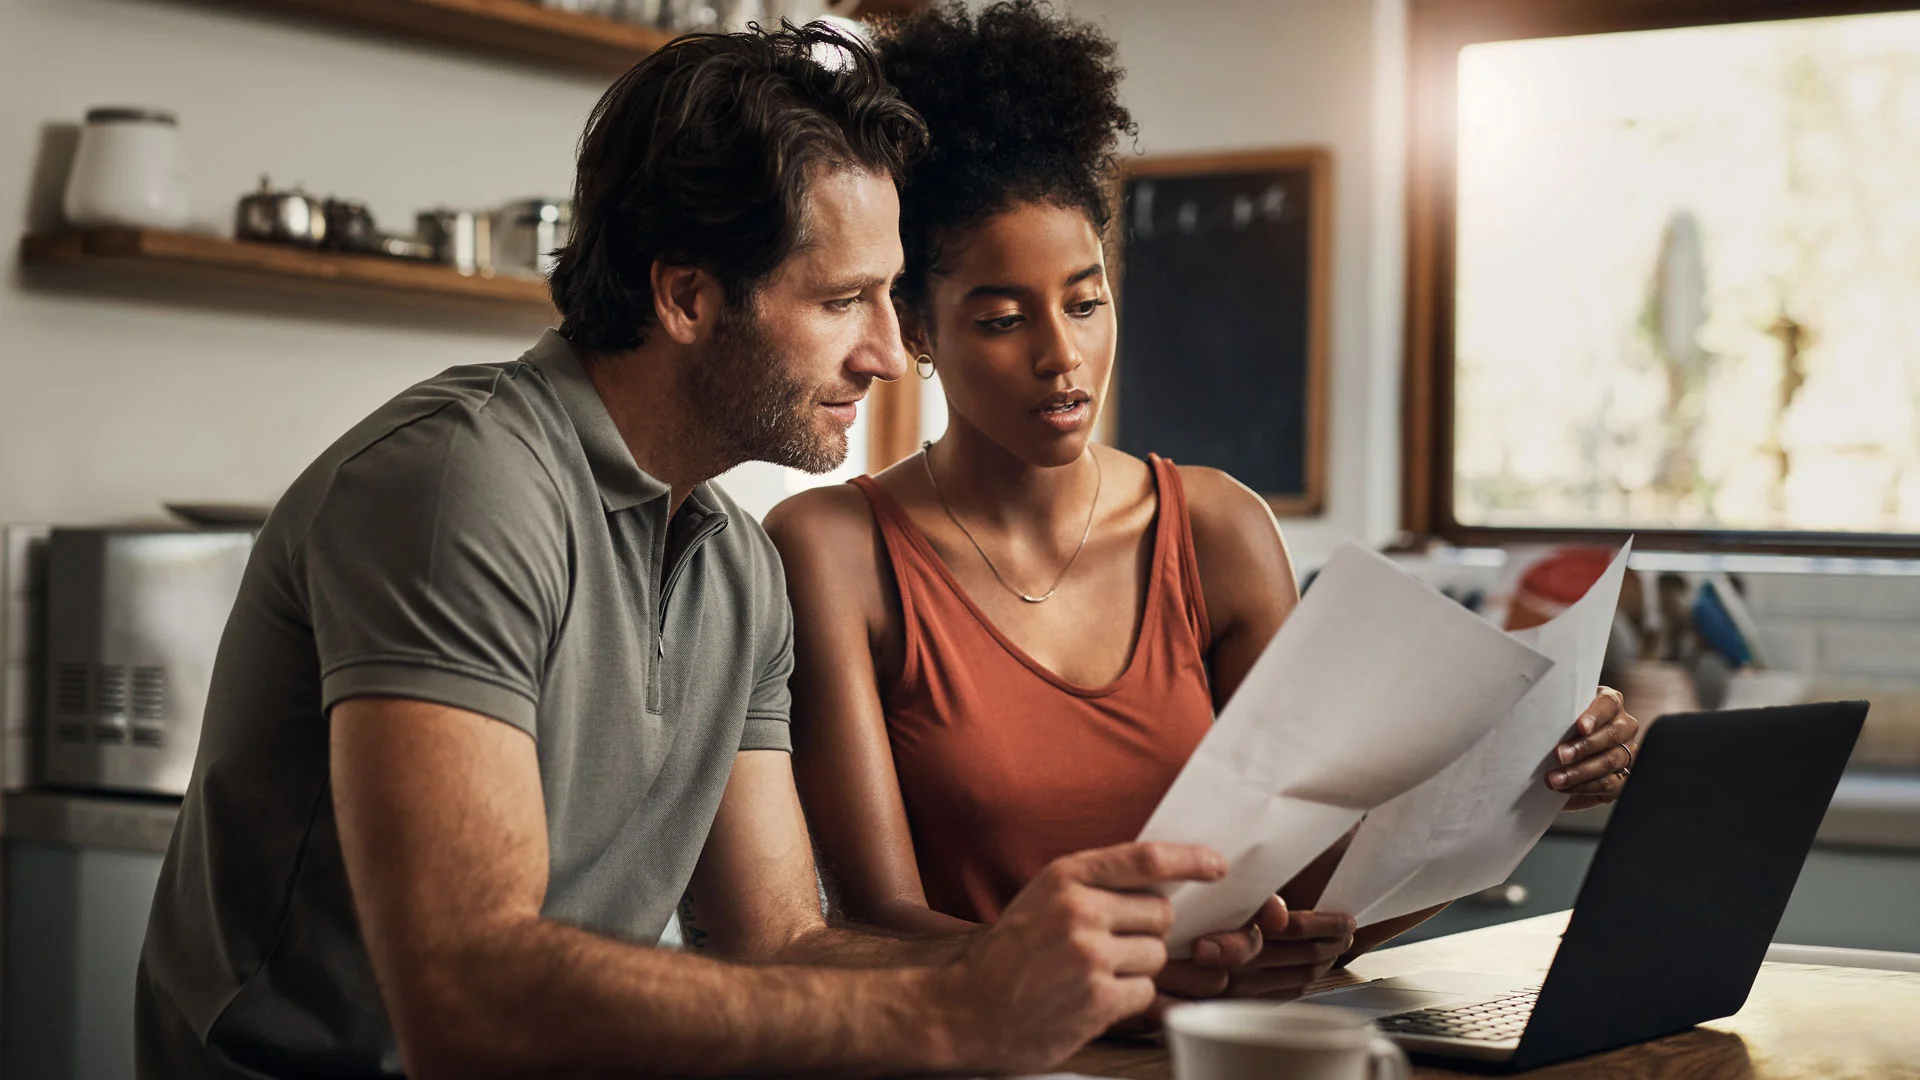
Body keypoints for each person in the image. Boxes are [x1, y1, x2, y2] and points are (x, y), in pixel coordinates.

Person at [134, 25, 1250, 1080]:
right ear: (686, 296)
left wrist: (1082, 963)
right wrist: (955, 1012)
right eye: (844, 301)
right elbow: (463, 998)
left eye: (887, 298)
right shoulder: (461, 487)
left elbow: (780, 944)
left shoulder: (736, 569)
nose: (885, 353)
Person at [766, 0, 1642, 1006]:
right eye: (1003, 319)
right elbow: (876, 921)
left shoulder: (1217, 530)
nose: (1062, 355)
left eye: (1086, 302)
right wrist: (1141, 981)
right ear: (916, 328)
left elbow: (1318, 895)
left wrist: (1528, 781)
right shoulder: (833, 550)